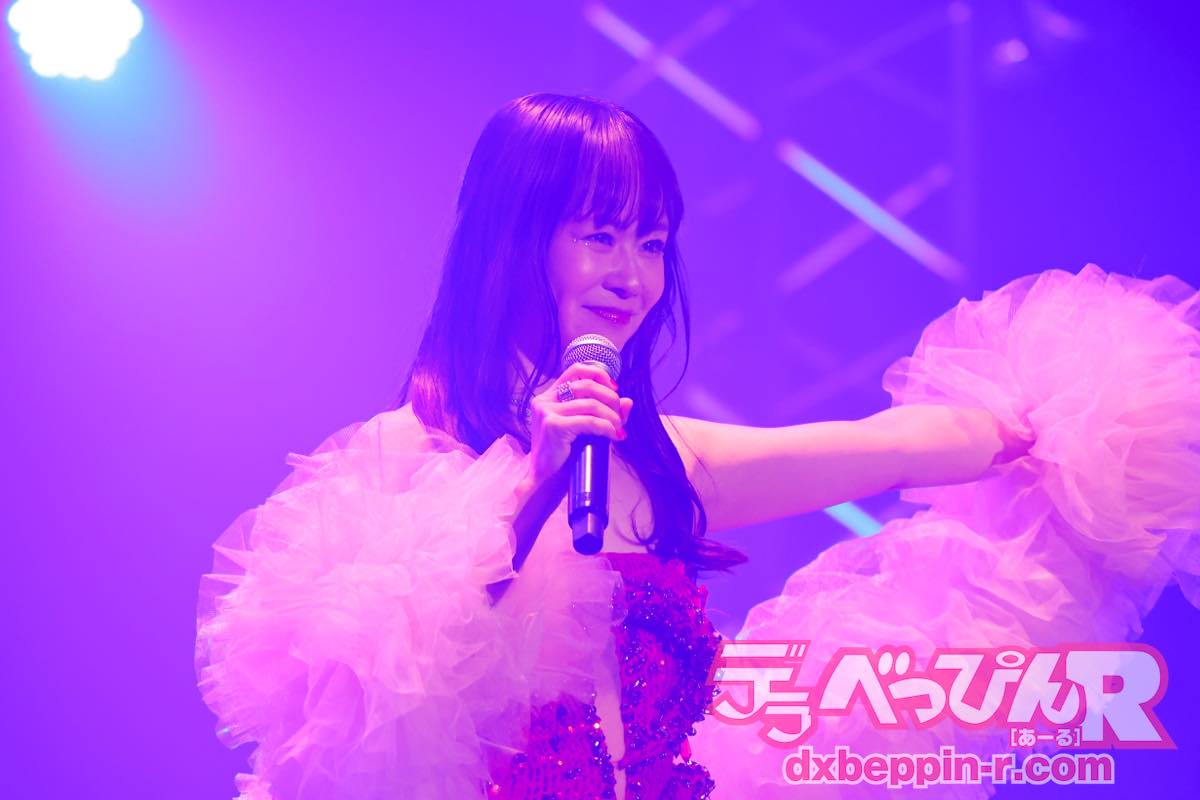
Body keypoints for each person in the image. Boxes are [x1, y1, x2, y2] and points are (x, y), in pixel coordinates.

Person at [195, 93, 1200, 799]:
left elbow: (884, 447)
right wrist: (529, 490)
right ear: (514, 234)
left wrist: (1052, 419)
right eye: (599, 234)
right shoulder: (399, 456)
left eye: (652, 242)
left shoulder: (664, 464)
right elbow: (362, 726)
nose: (632, 276)